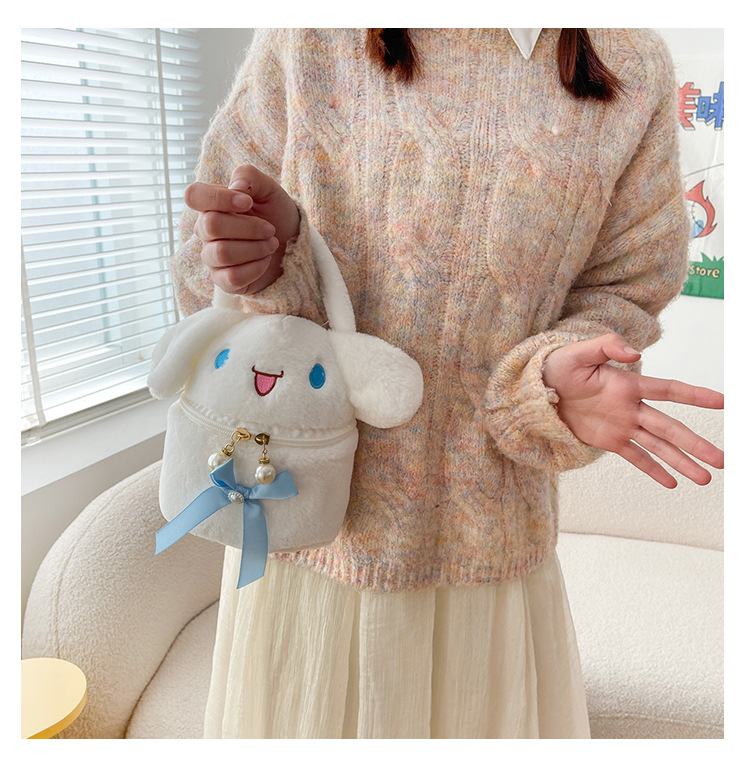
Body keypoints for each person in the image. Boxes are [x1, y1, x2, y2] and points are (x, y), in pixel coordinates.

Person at [172, 28, 724, 739]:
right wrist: (262, 265)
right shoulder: (308, 35)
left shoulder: (629, 65)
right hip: (298, 535)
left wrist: (550, 381)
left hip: (488, 555)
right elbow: (205, 269)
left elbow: (626, 284)